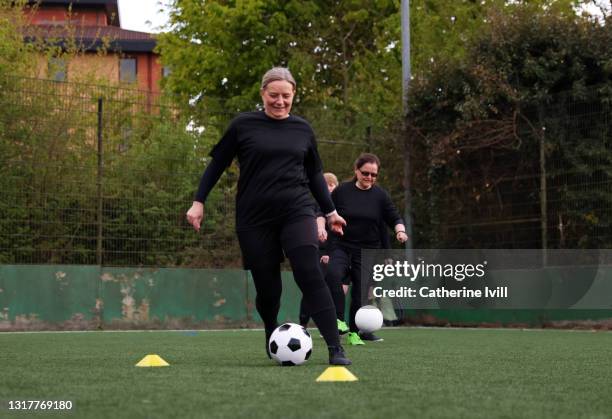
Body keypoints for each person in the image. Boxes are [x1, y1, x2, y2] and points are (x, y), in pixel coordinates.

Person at [186, 67, 351, 365]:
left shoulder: (303, 129)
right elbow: (216, 165)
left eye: (286, 96)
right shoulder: (243, 125)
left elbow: (314, 174)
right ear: (262, 93)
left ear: (293, 95)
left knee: (309, 272)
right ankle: (270, 331)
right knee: (268, 286)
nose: (279, 101)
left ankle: (335, 348)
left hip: (296, 210)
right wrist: (199, 202)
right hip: (254, 217)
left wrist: (330, 211)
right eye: (273, 95)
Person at [325, 153, 408, 345]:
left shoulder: (380, 196)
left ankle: (354, 333)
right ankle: (339, 320)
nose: (369, 178)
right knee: (333, 275)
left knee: (360, 294)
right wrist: (326, 224)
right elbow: (327, 210)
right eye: (365, 173)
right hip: (342, 245)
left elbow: (394, 217)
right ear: (356, 171)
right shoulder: (341, 191)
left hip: (366, 251)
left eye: (374, 175)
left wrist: (400, 231)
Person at [298, 172, 339, 329]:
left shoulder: (340, 207)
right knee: (313, 286)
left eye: (331, 184)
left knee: (337, 288)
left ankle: (334, 323)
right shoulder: (313, 204)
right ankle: (303, 322)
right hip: (317, 251)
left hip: (336, 252)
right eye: (326, 184)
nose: (329, 187)